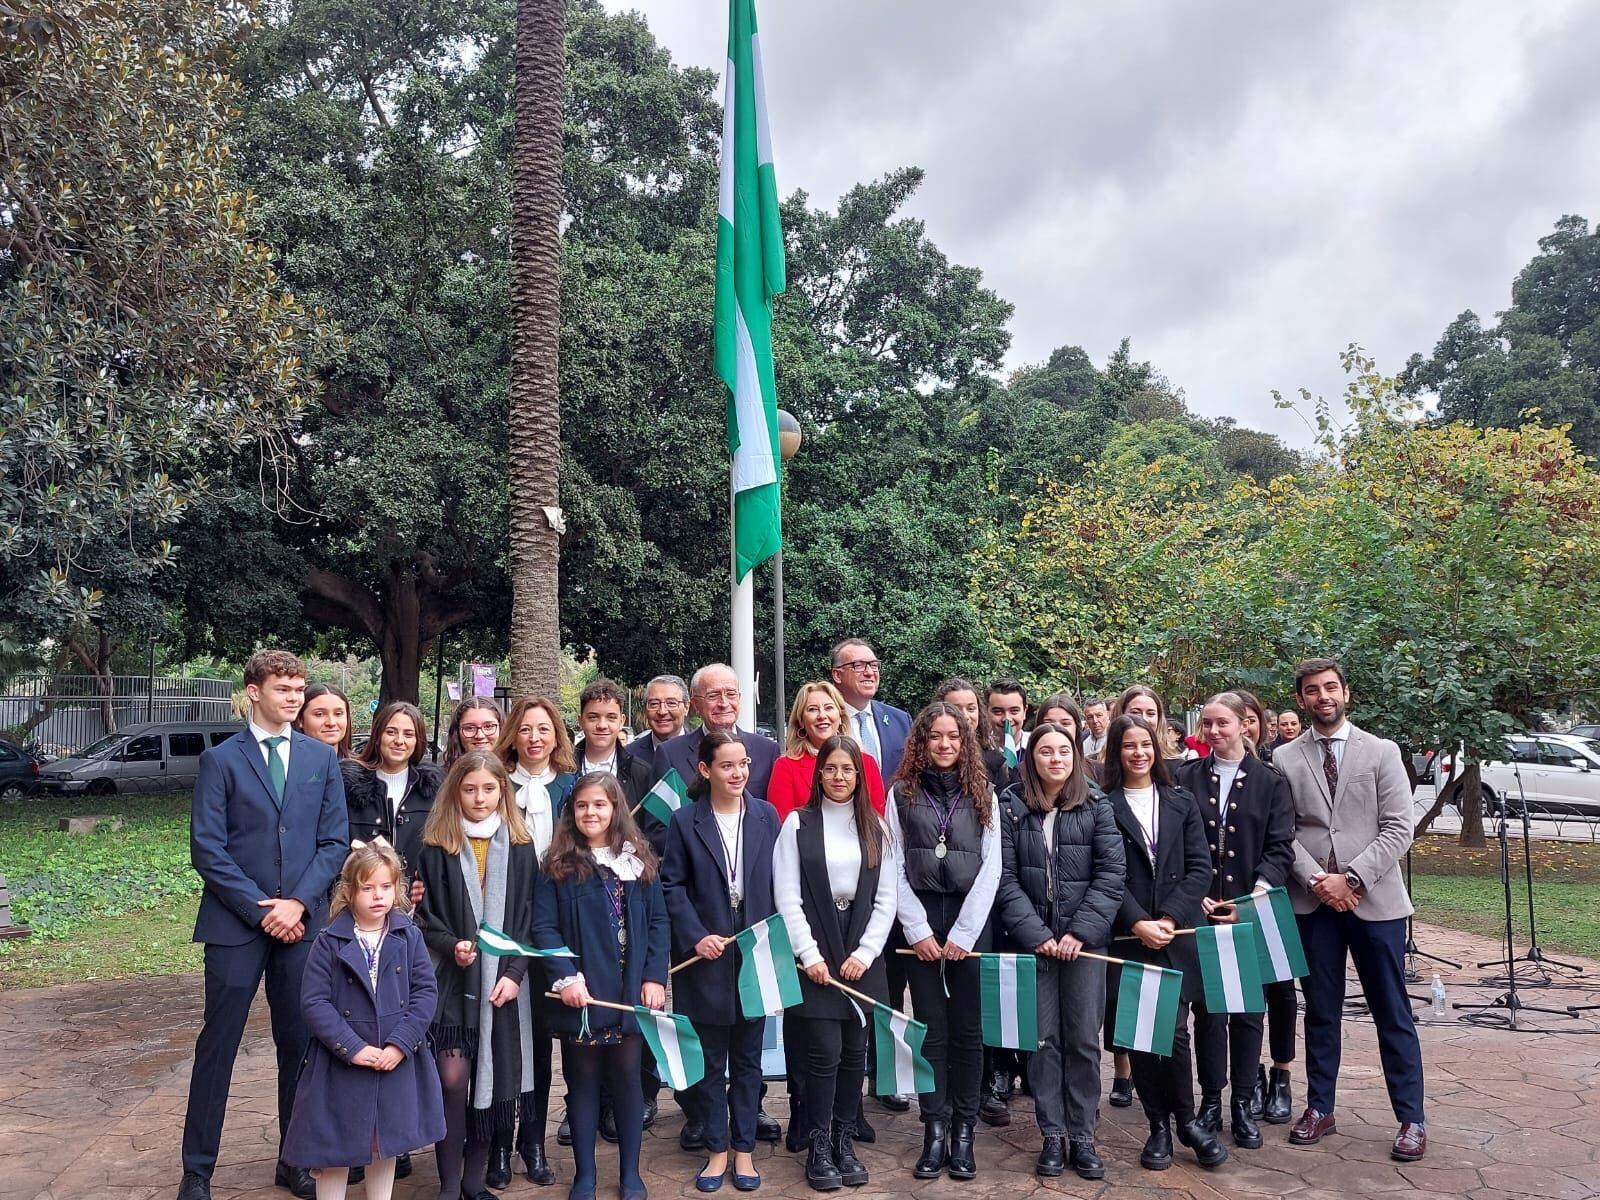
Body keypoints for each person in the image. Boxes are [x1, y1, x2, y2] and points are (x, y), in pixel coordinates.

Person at [178, 650, 349, 1200]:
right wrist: (261, 908)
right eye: (283, 688)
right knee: (218, 1046)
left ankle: (293, 1158)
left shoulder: (320, 760)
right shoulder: (221, 761)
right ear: (253, 692)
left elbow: (333, 843)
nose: (295, 697)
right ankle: (197, 1170)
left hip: (301, 925)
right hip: (235, 926)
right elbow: (207, 848)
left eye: (299, 687)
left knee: (298, 1042)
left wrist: (297, 904)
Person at [1275, 659, 1426, 1163]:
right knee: (1320, 1010)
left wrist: (1353, 878)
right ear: (1301, 699)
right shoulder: (1285, 758)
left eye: (1331, 688)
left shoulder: (1382, 753)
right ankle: (1321, 1108)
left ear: (1346, 693)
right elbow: (1285, 833)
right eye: (1312, 690)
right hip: (1313, 903)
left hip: (1375, 903)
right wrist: (1321, 882)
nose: (1323, 697)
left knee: (1392, 1011)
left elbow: (1399, 827)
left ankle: (1411, 1119)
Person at [280, 840, 446, 1200]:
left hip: (394, 1060)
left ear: (397, 890)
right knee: (334, 1147)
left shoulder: (409, 936)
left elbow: (424, 994)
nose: (377, 896)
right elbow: (314, 1001)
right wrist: (352, 1048)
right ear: (349, 892)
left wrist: (400, 1044)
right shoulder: (328, 941)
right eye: (367, 888)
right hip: (341, 1065)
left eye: (386, 887)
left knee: (383, 1143)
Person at [994, 723, 1123, 1180]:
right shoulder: (1010, 807)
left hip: (1084, 947)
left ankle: (1083, 1135)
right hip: (1036, 947)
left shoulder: (1096, 805)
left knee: (1084, 1040)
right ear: (1031, 759)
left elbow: (1111, 875)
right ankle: (1052, 1134)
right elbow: (1004, 879)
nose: (1055, 759)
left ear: (1074, 757)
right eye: (1044, 752)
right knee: (1043, 1041)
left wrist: (1079, 933)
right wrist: (1036, 935)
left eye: (1063, 751)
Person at [534, 773, 671, 1200]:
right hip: (583, 993)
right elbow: (543, 927)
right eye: (582, 806)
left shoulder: (638, 861)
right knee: (583, 1080)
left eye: (599, 805)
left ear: (616, 809)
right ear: (571, 813)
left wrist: (653, 977)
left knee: (628, 1078)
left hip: (629, 992)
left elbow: (658, 922)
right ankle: (585, 1174)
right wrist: (566, 977)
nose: (590, 813)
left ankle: (630, 1173)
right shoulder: (556, 866)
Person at [773, 735, 897, 1192]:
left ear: (859, 776)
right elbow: (786, 896)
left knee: (854, 1054)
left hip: (862, 955)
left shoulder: (877, 828)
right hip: (817, 956)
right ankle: (819, 1143)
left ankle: (845, 1141)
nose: (839, 777)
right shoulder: (797, 825)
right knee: (822, 1053)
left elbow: (887, 899)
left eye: (847, 770)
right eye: (830, 769)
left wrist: (865, 953)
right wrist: (809, 956)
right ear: (818, 774)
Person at [1103, 714, 1226, 1172]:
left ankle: (1187, 1122)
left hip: (1176, 934)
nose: (1138, 753)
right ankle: (1158, 1127)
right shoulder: (1103, 804)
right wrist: (1138, 922)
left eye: (1145, 744)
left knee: (1174, 1034)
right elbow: (1106, 876)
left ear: (1156, 748)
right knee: (1140, 1036)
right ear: (1116, 752)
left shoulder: (1180, 801)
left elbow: (1200, 867)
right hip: (1130, 937)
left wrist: (1170, 916)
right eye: (1128, 746)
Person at [415, 753, 540, 1200]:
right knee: (453, 1080)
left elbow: (529, 917)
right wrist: (454, 946)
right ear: (455, 792)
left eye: (489, 789)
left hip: (502, 986)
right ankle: (449, 1184)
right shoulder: (437, 846)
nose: (480, 798)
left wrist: (514, 973)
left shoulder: (522, 847)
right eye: (470, 789)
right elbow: (425, 917)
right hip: (453, 981)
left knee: (496, 1081)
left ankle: (473, 1179)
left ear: (502, 792)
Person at [1174, 694, 1295, 1151]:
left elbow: (1280, 847)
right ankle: (1211, 1098)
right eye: (1206, 724)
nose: (1213, 731)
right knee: (1210, 1010)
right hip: (1198, 910)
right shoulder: (1186, 776)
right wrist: (1195, 894)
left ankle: (1243, 1102)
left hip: (1248, 910)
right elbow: (1177, 843)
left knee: (1247, 1010)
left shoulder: (1270, 782)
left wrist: (1251, 898)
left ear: (1246, 725)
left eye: (1222, 723)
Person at [886, 702, 1001, 1181]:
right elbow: (892, 866)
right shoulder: (900, 794)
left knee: (969, 1032)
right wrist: (917, 929)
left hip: (970, 924)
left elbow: (992, 866)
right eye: (935, 736)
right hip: (921, 924)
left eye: (954, 735)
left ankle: (964, 1132)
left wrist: (964, 933)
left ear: (965, 740)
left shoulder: (985, 794)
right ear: (921, 741)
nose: (945, 744)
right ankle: (934, 1128)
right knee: (931, 1029)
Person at [661, 731, 781, 1193]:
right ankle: (715, 1151)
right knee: (710, 1062)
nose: (738, 773)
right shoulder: (684, 820)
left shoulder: (767, 816)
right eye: (727, 766)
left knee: (750, 1060)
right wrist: (695, 937)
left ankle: (744, 1150)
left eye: (744, 764)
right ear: (706, 770)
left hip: (754, 958)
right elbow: (671, 886)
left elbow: (779, 883)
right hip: (705, 960)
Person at [492, 695, 575, 1184]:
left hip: (553, 929)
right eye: (525, 729)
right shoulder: (496, 785)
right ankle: (500, 1144)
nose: (535, 738)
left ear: (556, 736)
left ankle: (533, 1144)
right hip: (505, 925)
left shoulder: (569, 788)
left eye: (544, 729)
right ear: (513, 736)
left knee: (543, 1045)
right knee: (507, 1042)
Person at [653, 664, 780, 804]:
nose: (724, 703)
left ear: (739, 698)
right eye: (713, 695)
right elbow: (658, 823)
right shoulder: (670, 754)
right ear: (695, 704)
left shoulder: (767, 751)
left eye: (731, 694)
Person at [345, 701, 442, 875]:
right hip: (362, 893)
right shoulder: (349, 787)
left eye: (408, 734)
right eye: (391, 732)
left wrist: (426, 885)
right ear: (377, 737)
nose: (399, 741)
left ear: (417, 741)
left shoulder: (433, 790)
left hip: (415, 898)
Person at [768, 681, 886, 820]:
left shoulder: (866, 763)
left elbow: (878, 820)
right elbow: (781, 823)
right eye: (812, 709)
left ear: (841, 716)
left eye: (829, 708)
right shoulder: (786, 767)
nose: (822, 716)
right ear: (801, 721)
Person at [828, 639, 912, 781]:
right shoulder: (824, 723)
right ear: (837, 674)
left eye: (874, 665)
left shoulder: (901, 721)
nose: (869, 672)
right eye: (858, 665)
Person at [574, 678, 654, 809]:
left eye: (611, 717)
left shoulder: (641, 773)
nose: (602, 725)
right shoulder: (563, 769)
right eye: (593, 717)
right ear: (580, 720)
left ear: (621, 721)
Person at [1034, 693, 1100, 786]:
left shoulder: (1097, 771)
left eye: (1065, 723)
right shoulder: (1022, 772)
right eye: (1049, 723)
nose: (1057, 729)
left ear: (1077, 727)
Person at [296, 683, 354, 760]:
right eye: (319, 714)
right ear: (300, 720)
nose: (331, 723)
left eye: (338, 714)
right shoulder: (285, 768)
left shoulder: (362, 770)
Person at [638, 675, 691, 758]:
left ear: (686, 707)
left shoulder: (705, 750)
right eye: (654, 704)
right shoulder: (628, 755)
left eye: (671, 703)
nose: (662, 712)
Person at [445, 698, 505, 767]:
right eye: (470, 728)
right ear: (457, 733)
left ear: (501, 728)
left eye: (488, 726)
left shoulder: (515, 775)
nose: (480, 735)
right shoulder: (442, 776)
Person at [1234, 690, 1275, 765]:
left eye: (1251, 721)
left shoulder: (1274, 766)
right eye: (1236, 721)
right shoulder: (1206, 769)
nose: (1244, 728)